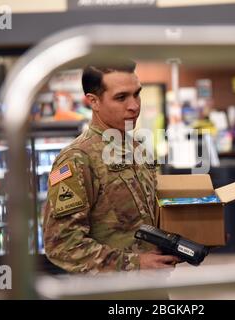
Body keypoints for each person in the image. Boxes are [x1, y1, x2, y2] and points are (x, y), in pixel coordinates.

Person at [43, 58, 180, 273]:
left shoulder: (138, 149)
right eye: (121, 97)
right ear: (93, 101)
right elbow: (62, 244)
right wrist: (135, 264)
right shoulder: (77, 158)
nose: (134, 106)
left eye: (137, 94)